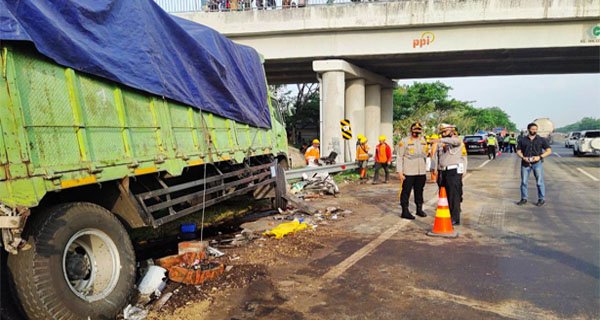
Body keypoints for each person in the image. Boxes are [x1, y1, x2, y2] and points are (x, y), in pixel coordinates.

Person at [432, 124, 464, 225]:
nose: (443, 133)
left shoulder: (456, 140)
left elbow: (455, 141)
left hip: (453, 171)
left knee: (453, 195)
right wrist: (435, 169)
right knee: (444, 194)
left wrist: (440, 140)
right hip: (443, 171)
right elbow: (437, 157)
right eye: (442, 132)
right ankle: (447, 214)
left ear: (451, 131)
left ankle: (455, 218)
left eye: (445, 131)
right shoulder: (441, 143)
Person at [397, 122, 429, 220]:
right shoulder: (404, 141)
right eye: (415, 129)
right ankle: (405, 211)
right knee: (406, 191)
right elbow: (399, 156)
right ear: (411, 130)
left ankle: (419, 209)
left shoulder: (423, 141)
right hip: (409, 171)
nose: (417, 131)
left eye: (419, 129)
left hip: (421, 171)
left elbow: (426, 154)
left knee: (419, 191)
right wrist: (400, 172)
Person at [516, 123, 552, 206]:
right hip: (525, 163)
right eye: (532, 129)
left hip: (537, 163)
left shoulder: (541, 139)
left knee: (539, 182)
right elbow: (518, 151)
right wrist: (523, 157)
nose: (534, 131)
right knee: (524, 182)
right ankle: (524, 198)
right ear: (528, 129)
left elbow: (549, 150)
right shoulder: (522, 140)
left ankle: (541, 199)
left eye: (536, 129)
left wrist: (539, 157)